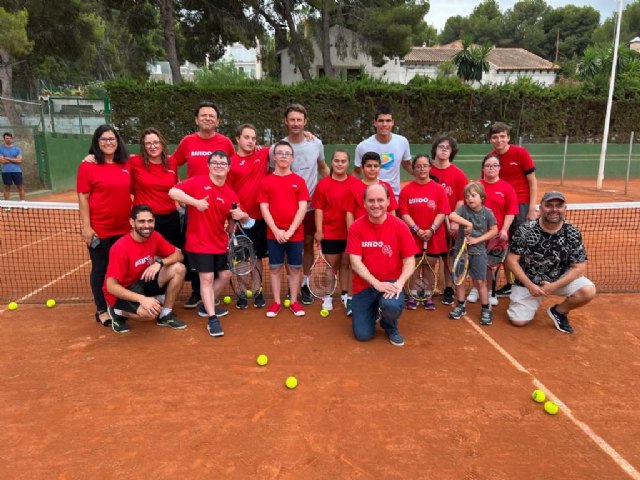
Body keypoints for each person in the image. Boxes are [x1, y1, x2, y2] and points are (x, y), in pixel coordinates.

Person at [169, 150, 247, 337]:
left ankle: (206, 304)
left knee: (226, 273)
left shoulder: (230, 193)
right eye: (215, 162)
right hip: (199, 242)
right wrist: (195, 203)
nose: (219, 165)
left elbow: (236, 219)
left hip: (219, 242)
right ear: (208, 165)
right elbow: (173, 192)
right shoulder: (197, 182)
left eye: (223, 163)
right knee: (207, 278)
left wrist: (240, 218)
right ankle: (212, 319)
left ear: (228, 168)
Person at [505, 191, 596, 334]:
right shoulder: (525, 230)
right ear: (541, 208)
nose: (554, 209)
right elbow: (511, 260)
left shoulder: (572, 232)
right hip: (528, 283)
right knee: (518, 321)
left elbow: (579, 267)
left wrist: (553, 287)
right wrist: (530, 286)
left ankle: (559, 311)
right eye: (549, 206)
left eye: (559, 206)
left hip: (559, 281)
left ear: (565, 209)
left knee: (588, 290)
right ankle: (528, 299)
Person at [173, 101, 235, 309]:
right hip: (194, 205)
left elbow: (234, 164)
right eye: (204, 115)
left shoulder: (225, 142)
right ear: (197, 120)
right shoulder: (187, 142)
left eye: (212, 115)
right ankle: (196, 291)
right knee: (195, 248)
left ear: (217, 121)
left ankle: (207, 293)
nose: (208, 118)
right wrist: (184, 198)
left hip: (218, 203)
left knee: (217, 244)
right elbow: (172, 163)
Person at [346, 183, 417, 347]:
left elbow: (409, 260)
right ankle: (374, 309)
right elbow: (355, 263)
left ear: (388, 201)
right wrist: (376, 284)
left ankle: (389, 325)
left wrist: (399, 284)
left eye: (380, 200)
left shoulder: (400, 226)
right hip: (364, 286)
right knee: (363, 335)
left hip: (391, 283)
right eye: (371, 200)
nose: (376, 205)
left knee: (391, 305)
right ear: (364, 203)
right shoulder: (356, 227)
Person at [271, 103, 328, 305]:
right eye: (292, 120)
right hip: (286, 208)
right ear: (286, 122)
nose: (296, 123)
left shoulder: (316, 143)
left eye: (299, 120)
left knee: (307, 244)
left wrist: (334, 187)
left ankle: (304, 283)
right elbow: (272, 173)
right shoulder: (276, 148)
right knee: (288, 245)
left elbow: (322, 168)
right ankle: (291, 283)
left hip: (311, 206)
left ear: (306, 122)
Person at [77, 125, 131, 328]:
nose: (108, 142)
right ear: (97, 142)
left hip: (125, 229)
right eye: (103, 139)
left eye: (112, 139)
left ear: (118, 142)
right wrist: (86, 226)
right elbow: (83, 196)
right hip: (100, 230)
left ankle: (117, 306)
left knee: (120, 270)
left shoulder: (126, 164)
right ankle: (101, 309)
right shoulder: (87, 166)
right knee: (100, 269)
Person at [104, 205, 187, 334]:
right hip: (121, 292)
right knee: (150, 314)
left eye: (150, 221)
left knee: (179, 268)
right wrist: (142, 299)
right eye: (141, 221)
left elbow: (179, 255)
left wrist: (160, 263)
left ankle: (165, 315)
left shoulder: (155, 236)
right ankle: (116, 311)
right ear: (132, 223)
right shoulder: (120, 248)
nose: (147, 225)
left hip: (141, 281)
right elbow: (111, 287)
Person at [487, 122, 538, 297]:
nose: (499, 140)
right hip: (501, 209)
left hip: (522, 206)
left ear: (508, 137)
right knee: (500, 247)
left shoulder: (521, 153)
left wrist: (532, 208)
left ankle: (523, 283)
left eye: (502, 136)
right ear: (490, 140)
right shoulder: (490, 158)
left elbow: (532, 180)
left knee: (520, 248)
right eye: (495, 137)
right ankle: (509, 284)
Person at [259, 141, 310, 318]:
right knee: (274, 268)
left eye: (287, 153)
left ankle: (294, 301)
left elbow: (302, 208)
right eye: (279, 153)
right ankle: (276, 302)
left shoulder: (299, 181)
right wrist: (276, 231)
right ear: (274, 157)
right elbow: (264, 208)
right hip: (273, 234)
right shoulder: (266, 182)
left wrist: (289, 232)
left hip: (295, 234)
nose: (283, 156)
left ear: (292, 158)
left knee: (295, 269)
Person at [227, 123, 271, 309]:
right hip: (239, 220)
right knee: (241, 259)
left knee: (258, 257)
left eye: (254, 138)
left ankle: (258, 291)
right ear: (237, 139)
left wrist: (308, 134)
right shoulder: (230, 162)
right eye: (247, 137)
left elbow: (286, 144)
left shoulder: (262, 154)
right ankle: (245, 292)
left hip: (260, 218)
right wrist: (232, 219)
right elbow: (227, 191)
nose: (251, 141)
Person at [398, 154, 450, 311]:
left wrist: (432, 229)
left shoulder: (438, 189)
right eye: (418, 166)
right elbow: (404, 213)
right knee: (413, 266)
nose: (421, 169)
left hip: (433, 235)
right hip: (413, 236)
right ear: (413, 169)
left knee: (429, 266)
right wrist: (417, 229)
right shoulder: (407, 190)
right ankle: (413, 295)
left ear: (430, 167)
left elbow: (442, 211)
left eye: (424, 165)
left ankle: (427, 295)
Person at [467, 153, 518, 305]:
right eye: (488, 165)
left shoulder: (507, 188)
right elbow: (468, 207)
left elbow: (511, 211)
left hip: (498, 235)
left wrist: (504, 229)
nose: (491, 168)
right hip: (477, 233)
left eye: (495, 165)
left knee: (492, 265)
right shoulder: (475, 186)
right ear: (483, 168)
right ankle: (476, 289)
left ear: (499, 168)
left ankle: (490, 291)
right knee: (476, 262)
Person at [312, 149, 356, 313]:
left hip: (349, 233)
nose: (339, 164)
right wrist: (319, 230)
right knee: (331, 266)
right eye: (336, 161)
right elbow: (319, 209)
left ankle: (345, 295)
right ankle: (328, 296)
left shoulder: (354, 183)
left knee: (346, 264)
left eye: (343, 161)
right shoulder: (323, 184)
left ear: (348, 163)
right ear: (332, 162)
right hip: (329, 232)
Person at [448, 182, 498, 325]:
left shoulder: (488, 213)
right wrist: (468, 224)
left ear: (482, 197)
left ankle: (485, 309)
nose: (470, 199)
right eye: (467, 196)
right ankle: (461, 305)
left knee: (480, 281)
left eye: (473, 195)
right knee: (460, 280)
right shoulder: (463, 210)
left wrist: (477, 239)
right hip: (461, 252)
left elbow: (494, 230)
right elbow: (452, 215)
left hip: (478, 252)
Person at [429, 135, 469, 305]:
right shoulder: (427, 171)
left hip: (450, 223)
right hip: (430, 223)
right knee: (429, 257)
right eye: (441, 146)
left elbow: (460, 200)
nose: (444, 149)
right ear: (435, 149)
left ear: (452, 152)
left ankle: (447, 288)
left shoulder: (458, 174)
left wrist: (454, 220)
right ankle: (425, 288)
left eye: (448, 147)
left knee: (448, 258)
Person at [129, 127, 181, 247]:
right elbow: (112, 160)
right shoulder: (134, 161)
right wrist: (93, 156)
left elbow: (175, 186)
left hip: (171, 219)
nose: (152, 146)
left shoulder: (172, 162)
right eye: (148, 143)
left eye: (156, 142)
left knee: (173, 255)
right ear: (144, 146)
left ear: (162, 143)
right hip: (146, 220)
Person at [354, 106, 412, 201]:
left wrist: (428, 177)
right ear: (375, 123)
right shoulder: (362, 146)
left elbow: (407, 165)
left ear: (393, 122)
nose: (384, 124)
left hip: (395, 198)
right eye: (381, 121)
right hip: (372, 199)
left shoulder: (402, 142)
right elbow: (356, 172)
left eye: (388, 121)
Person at [346, 151, 398, 227]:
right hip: (361, 231)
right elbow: (349, 213)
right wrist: (351, 233)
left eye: (375, 166)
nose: (372, 169)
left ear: (380, 168)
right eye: (369, 166)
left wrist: (392, 230)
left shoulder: (386, 186)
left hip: (383, 230)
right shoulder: (353, 188)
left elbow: (391, 211)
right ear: (362, 168)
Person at [0, 132, 25, 201]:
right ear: (4, 139)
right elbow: (2, 161)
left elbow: (19, 160)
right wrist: (14, 159)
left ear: (12, 139)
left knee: (20, 187)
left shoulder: (17, 149)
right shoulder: (1, 148)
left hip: (17, 171)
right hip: (6, 172)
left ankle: (23, 204)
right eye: (6, 138)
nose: (8, 140)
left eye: (10, 138)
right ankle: (7, 205)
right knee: (6, 188)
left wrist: (7, 158)